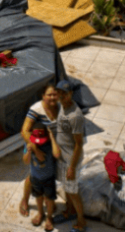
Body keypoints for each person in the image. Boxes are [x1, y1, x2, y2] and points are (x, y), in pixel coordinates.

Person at [19, 84, 61, 218]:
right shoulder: (36, 109)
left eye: (55, 94)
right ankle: (25, 200)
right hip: (35, 144)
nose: (52, 97)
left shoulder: (59, 107)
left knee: (49, 173)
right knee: (34, 175)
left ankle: (49, 200)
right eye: (49, 95)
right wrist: (36, 150)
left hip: (50, 145)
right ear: (43, 96)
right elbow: (24, 131)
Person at [53, 79, 87, 232]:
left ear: (71, 94)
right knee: (66, 188)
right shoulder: (62, 106)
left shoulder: (75, 116)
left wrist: (72, 167)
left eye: (65, 93)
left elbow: (79, 144)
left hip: (71, 160)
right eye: (59, 92)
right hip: (62, 157)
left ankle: (81, 221)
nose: (61, 96)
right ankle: (69, 211)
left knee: (73, 192)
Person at [22, 127, 60, 230]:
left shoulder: (50, 145)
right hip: (35, 178)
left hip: (49, 178)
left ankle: (49, 217)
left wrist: (52, 138)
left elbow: (56, 154)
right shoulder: (27, 144)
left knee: (50, 199)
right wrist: (28, 152)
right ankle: (40, 213)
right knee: (38, 197)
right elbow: (25, 161)